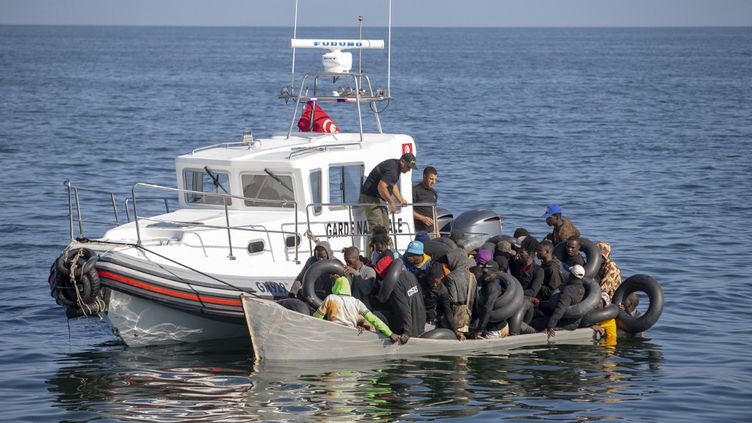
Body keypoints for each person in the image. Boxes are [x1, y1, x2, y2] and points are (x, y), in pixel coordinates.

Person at [313, 276, 407, 344]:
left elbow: (317, 318)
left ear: (336, 286)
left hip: (333, 334)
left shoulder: (331, 298)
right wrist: (390, 333)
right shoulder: (356, 302)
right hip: (351, 335)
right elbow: (373, 319)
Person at [359, 153, 417, 241]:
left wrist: (400, 199)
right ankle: (372, 253)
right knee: (377, 228)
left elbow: (392, 185)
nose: (409, 170)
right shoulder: (392, 169)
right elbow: (381, 187)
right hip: (370, 197)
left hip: (378, 197)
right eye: (408, 167)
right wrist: (391, 202)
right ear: (402, 162)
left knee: (385, 227)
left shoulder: (396, 168)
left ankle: (384, 252)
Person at [373, 255, 426, 337]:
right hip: (421, 321)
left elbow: (403, 309)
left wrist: (407, 332)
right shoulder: (409, 274)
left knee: (376, 314)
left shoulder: (395, 286)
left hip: (408, 328)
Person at [422, 262, 463, 340]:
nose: (434, 285)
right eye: (432, 281)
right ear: (427, 277)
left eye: (437, 282)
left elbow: (447, 311)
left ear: (441, 277)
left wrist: (455, 330)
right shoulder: (420, 281)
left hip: (429, 321)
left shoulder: (443, 291)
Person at [544, 264, 587, 338]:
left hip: (567, 324)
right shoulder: (582, 288)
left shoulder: (568, 290)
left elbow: (560, 309)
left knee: (537, 323)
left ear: (572, 276)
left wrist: (550, 326)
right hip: (576, 322)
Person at [470, 260, 509, 339]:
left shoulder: (493, 286)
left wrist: (479, 329)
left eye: (488, 272)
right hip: (488, 327)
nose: (485, 274)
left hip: (497, 329)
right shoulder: (484, 281)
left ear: (495, 273)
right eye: (484, 272)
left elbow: (488, 307)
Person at [510, 237, 544, 308]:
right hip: (513, 295)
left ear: (530, 254)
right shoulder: (516, 264)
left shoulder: (538, 271)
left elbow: (533, 292)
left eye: (522, 252)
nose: (518, 254)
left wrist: (514, 290)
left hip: (525, 301)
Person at [413, 166, 439, 234]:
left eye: (435, 179)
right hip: (418, 231)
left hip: (432, 231)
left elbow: (434, 213)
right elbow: (407, 210)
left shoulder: (434, 193)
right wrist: (422, 218)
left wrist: (437, 231)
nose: (434, 182)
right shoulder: (415, 190)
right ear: (424, 176)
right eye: (431, 179)